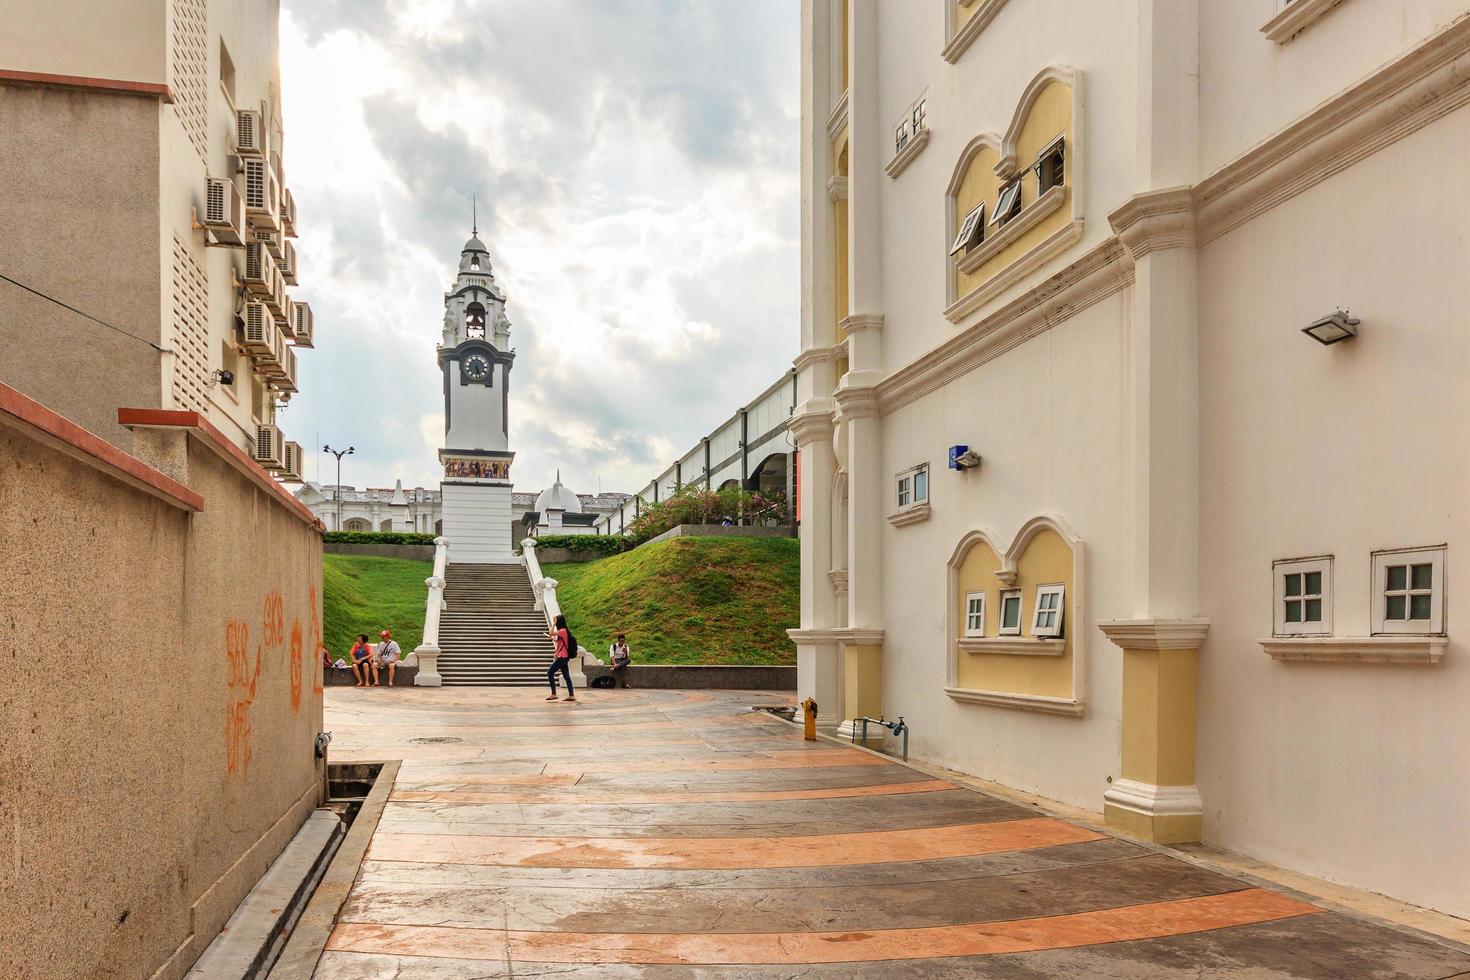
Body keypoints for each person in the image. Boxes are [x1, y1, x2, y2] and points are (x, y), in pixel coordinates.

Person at [545, 613, 576, 702]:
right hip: (563, 656)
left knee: (550, 672)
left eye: (556, 621)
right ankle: (571, 695)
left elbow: (550, 632)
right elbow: (558, 640)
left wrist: (553, 624)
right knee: (566, 676)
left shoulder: (562, 631)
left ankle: (554, 694)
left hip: (562, 657)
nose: (555, 622)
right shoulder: (563, 631)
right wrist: (554, 639)